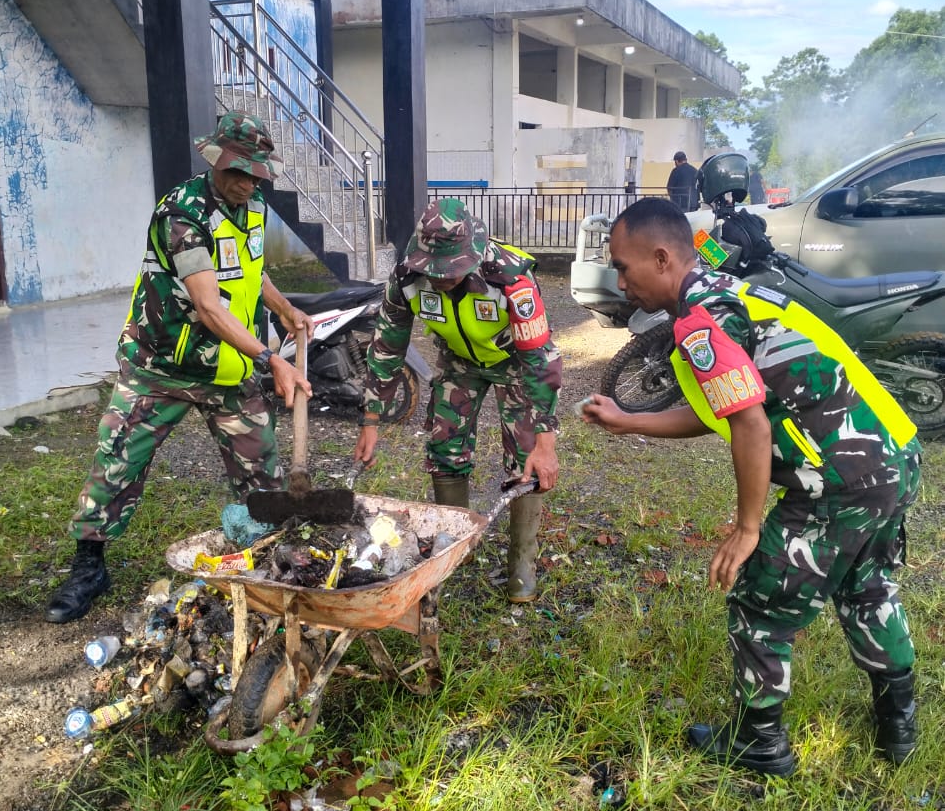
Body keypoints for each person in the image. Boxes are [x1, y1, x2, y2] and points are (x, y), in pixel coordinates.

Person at [582, 184, 922, 776]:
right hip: (891, 459)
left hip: (836, 479)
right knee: (868, 591)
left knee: (759, 606)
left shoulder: (701, 320)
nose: (621, 282)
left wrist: (747, 527)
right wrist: (629, 419)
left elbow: (748, 425)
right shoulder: (727, 294)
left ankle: (759, 744)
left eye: (623, 267)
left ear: (663, 259)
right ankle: (899, 729)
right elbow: (728, 408)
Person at [45, 111, 314, 625]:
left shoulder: (251, 208)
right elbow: (209, 306)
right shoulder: (182, 214)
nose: (248, 184)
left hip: (227, 370)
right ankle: (89, 567)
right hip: (161, 365)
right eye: (239, 172)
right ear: (215, 161)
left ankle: (271, 561)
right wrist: (271, 358)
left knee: (264, 477)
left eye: (257, 175)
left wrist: (282, 308)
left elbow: (251, 272)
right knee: (117, 460)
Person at [354, 198, 562, 603]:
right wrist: (371, 420)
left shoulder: (510, 277)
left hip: (514, 361)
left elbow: (540, 359)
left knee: (525, 461)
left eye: (451, 269)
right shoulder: (405, 279)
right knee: (444, 446)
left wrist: (546, 441)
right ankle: (454, 548)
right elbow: (386, 349)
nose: (442, 278)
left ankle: (521, 570)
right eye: (434, 269)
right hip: (459, 362)